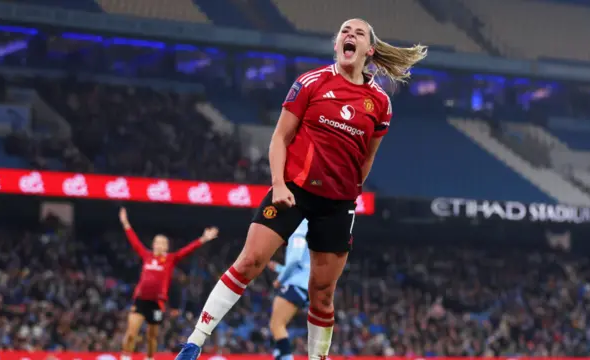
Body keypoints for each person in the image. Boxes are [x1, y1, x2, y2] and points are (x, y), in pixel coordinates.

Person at [175, 18, 426, 360]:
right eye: (344, 31)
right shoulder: (311, 83)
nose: (349, 35)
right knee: (249, 261)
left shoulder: (380, 103)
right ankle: (194, 342)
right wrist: (278, 183)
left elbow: (366, 159)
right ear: (337, 44)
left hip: (337, 204)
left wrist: (350, 195)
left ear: (369, 50)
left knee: (322, 293)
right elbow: (280, 137)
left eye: (359, 33)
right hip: (293, 189)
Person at [118, 207, 219, 360]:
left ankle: (150, 358)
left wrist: (204, 238)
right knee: (131, 332)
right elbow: (134, 241)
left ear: (166, 246)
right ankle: (125, 357)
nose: (158, 245)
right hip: (140, 300)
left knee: (152, 336)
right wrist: (125, 222)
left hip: (157, 303)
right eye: (156, 242)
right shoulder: (147, 256)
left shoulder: (171, 259)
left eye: (162, 243)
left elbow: (187, 250)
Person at [267, 220, 311, 360]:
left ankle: (284, 357)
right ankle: (279, 355)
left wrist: (280, 279)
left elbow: (294, 261)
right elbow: (304, 265)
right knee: (280, 326)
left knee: (276, 325)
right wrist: (280, 269)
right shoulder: (315, 227)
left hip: (296, 285)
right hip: (307, 286)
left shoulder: (299, 228)